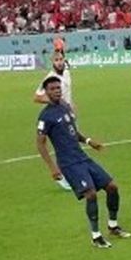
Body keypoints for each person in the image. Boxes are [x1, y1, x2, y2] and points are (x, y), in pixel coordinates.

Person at [36, 76, 131, 248]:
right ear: (46, 92)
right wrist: (52, 167)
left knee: (112, 187)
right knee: (91, 194)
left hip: (82, 157)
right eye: (52, 88)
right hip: (68, 163)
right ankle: (96, 237)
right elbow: (40, 143)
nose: (57, 90)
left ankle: (113, 226)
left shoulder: (65, 107)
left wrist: (88, 141)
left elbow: (72, 131)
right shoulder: (45, 116)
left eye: (58, 87)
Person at [34, 50, 74, 191]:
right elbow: (37, 97)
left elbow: (68, 94)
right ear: (52, 61)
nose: (59, 62)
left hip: (68, 115)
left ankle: (72, 174)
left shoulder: (67, 72)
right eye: (56, 60)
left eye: (61, 59)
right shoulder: (50, 78)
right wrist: (56, 102)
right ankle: (61, 177)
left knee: (72, 145)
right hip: (57, 117)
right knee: (64, 147)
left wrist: (70, 107)